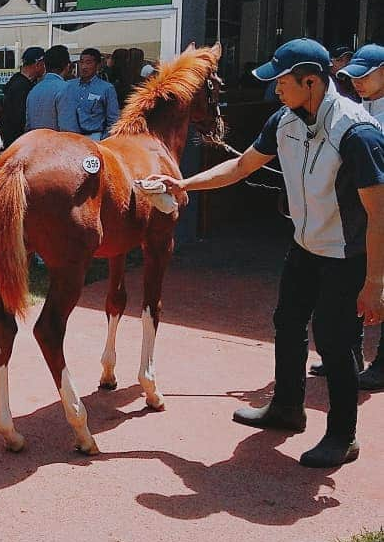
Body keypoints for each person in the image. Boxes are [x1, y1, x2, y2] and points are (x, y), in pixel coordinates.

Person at [153, 38, 384, 468]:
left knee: (335, 343)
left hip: (344, 255)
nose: (275, 89)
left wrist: (375, 283)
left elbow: (378, 213)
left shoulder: (356, 133)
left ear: (311, 81)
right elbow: (241, 167)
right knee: (288, 323)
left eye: (281, 81)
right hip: (304, 245)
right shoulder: (284, 120)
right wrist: (185, 184)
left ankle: (342, 436)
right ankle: (287, 408)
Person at [339, 43, 384, 392]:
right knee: (353, 280)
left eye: (365, 76)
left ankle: (381, 365)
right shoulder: (356, 109)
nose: (357, 82)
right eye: (353, 76)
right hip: (359, 211)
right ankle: (349, 354)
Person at [59, 47, 120, 139]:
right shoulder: (69, 85)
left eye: (88, 63)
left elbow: (113, 120)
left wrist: (103, 139)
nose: (84, 67)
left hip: (94, 136)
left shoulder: (106, 88)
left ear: (98, 65)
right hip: (70, 137)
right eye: (81, 62)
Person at [0, 46, 45, 148]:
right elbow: (21, 118)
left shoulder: (15, 82)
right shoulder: (23, 87)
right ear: (38, 64)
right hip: (19, 143)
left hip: (11, 141)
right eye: (44, 65)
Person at [25, 44, 72, 131]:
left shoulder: (34, 90)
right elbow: (68, 128)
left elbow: (28, 126)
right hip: (57, 143)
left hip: (35, 142)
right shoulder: (66, 89)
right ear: (67, 66)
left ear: (45, 66)